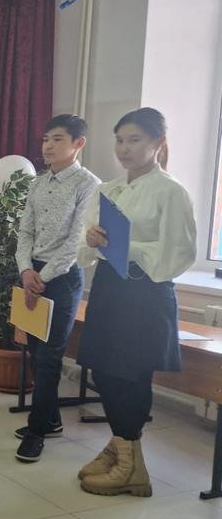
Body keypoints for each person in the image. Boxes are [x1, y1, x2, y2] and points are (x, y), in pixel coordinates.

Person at [75, 107, 196, 496]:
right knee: (103, 371)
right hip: (109, 287)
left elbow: (179, 253)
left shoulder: (170, 191)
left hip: (145, 293)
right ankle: (121, 448)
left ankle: (132, 466)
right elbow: (84, 247)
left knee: (130, 374)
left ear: (158, 143)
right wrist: (91, 240)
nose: (124, 148)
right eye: (120, 140)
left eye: (134, 140)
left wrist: (128, 247)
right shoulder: (108, 189)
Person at [13, 115, 101, 463]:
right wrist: (25, 270)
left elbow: (76, 241)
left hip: (63, 279)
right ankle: (51, 420)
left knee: (50, 357)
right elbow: (25, 231)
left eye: (58, 139)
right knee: (35, 353)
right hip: (31, 274)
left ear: (79, 143)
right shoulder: (38, 183)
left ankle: (36, 432)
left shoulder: (89, 185)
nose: (48, 146)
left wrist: (43, 277)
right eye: (46, 139)